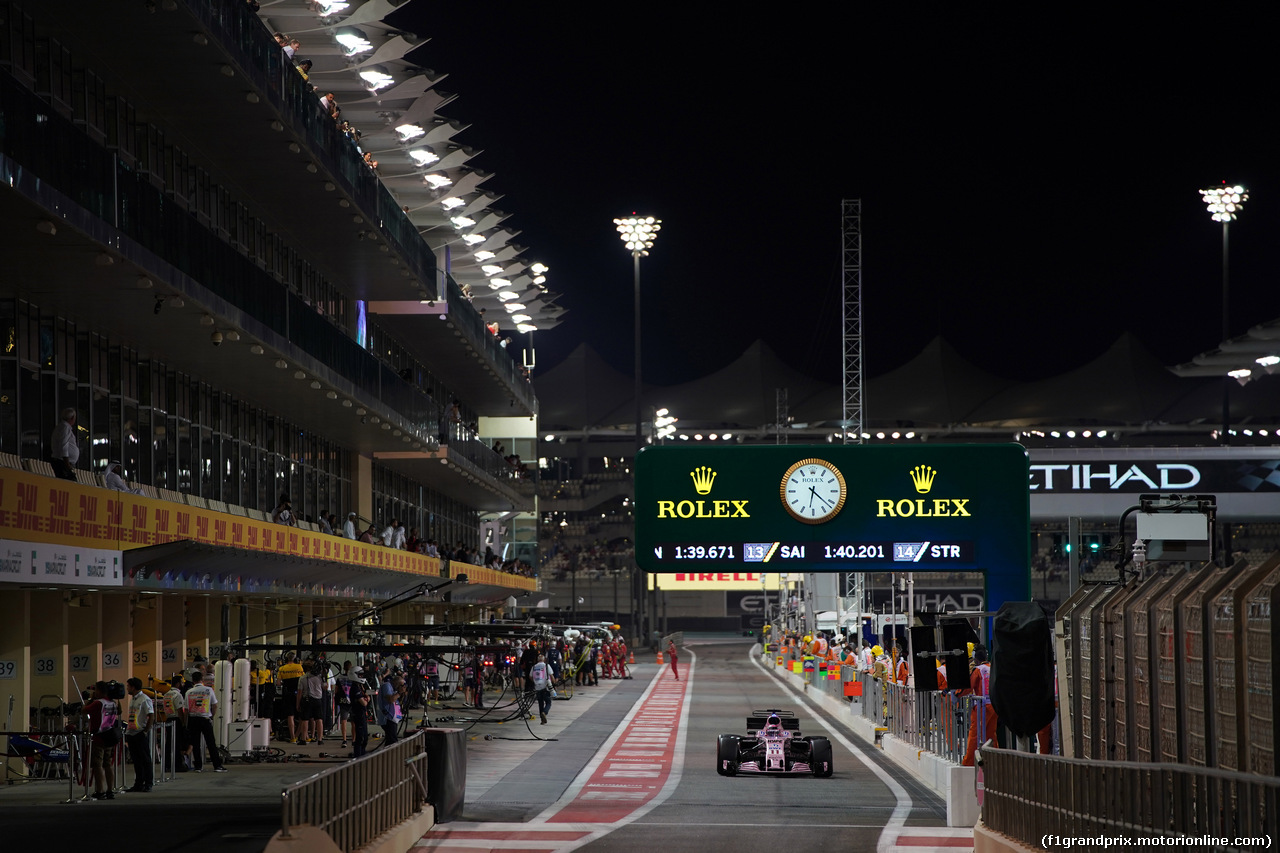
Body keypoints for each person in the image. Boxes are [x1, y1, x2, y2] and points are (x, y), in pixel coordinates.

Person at [962, 646, 997, 767]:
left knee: (975, 735)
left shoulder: (977, 670)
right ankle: (995, 760)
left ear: (975, 658)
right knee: (991, 735)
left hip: (981, 708)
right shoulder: (993, 667)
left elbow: (968, 687)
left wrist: (956, 693)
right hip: (994, 706)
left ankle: (969, 763)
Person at [84, 681, 120, 799]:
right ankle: (110, 789)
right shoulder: (112, 703)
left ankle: (100, 790)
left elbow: (84, 710)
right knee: (108, 764)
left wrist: (91, 699)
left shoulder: (98, 703)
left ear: (99, 690)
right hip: (109, 734)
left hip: (98, 737)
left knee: (97, 764)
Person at [185, 673, 225, 772]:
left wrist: (186, 723)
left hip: (193, 719)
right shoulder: (209, 690)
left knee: (195, 743)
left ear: (192, 680)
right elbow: (215, 705)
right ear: (202, 679)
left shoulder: (189, 692)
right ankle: (217, 766)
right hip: (205, 718)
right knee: (211, 743)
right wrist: (211, 716)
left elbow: (186, 709)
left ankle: (198, 766)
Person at [124, 677, 155, 792]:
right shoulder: (133, 699)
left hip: (140, 732)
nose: (127, 688)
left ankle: (148, 783)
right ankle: (138, 783)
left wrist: (146, 731)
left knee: (145, 759)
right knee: (136, 760)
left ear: (133, 687)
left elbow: (151, 715)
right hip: (132, 732)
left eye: (128, 686)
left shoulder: (144, 699)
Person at [277, 651, 304, 743]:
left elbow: (278, 683)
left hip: (287, 693)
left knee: (290, 715)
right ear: (295, 659)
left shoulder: (282, 668)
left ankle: (292, 737)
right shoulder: (299, 667)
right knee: (301, 716)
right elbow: (303, 679)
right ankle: (297, 735)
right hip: (298, 693)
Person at [296, 660, 324, 745]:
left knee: (305, 719)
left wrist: (298, 704)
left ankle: (303, 739)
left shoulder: (302, 678)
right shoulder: (320, 677)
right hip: (318, 700)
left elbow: (299, 693)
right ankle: (320, 739)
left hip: (307, 700)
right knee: (319, 719)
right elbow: (325, 687)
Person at [51, 407, 79, 480]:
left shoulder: (63, 427)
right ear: (72, 418)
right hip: (62, 463)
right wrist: (67, 464)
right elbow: (64, 445)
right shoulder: (65, 427)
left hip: (63, 462)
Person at [349, 667, 370, 758]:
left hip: (361, 714)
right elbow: (364, 702)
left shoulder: (359, 686)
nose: (361, 676)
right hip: (358, 714)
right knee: (361, 737)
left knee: (364, 737)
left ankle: (362, 754)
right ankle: (358, 756)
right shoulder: (355, 688)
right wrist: (366, 699)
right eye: (360, 675)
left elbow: (365, 699)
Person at [379, 675, 405, 745]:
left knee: (390, 739)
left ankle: (387, 754)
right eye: (401, 685)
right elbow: (390, 699)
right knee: (392, 740)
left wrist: (402, 694)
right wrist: (399, 692)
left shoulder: (393, 689)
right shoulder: (387, 686)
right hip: (387, 717)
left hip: (393, 717)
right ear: (397, 684)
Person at [530, 653, 552, 724]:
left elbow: (530, 676)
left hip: (537, 688)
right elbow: (551, 675)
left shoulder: (534, 667)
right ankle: (544, 713)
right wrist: (554, 684)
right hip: (545, 687)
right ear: (544, 659)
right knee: (548, 702)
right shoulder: (546, 666)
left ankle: (542, 720)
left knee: (540, 703)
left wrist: (535, 682)